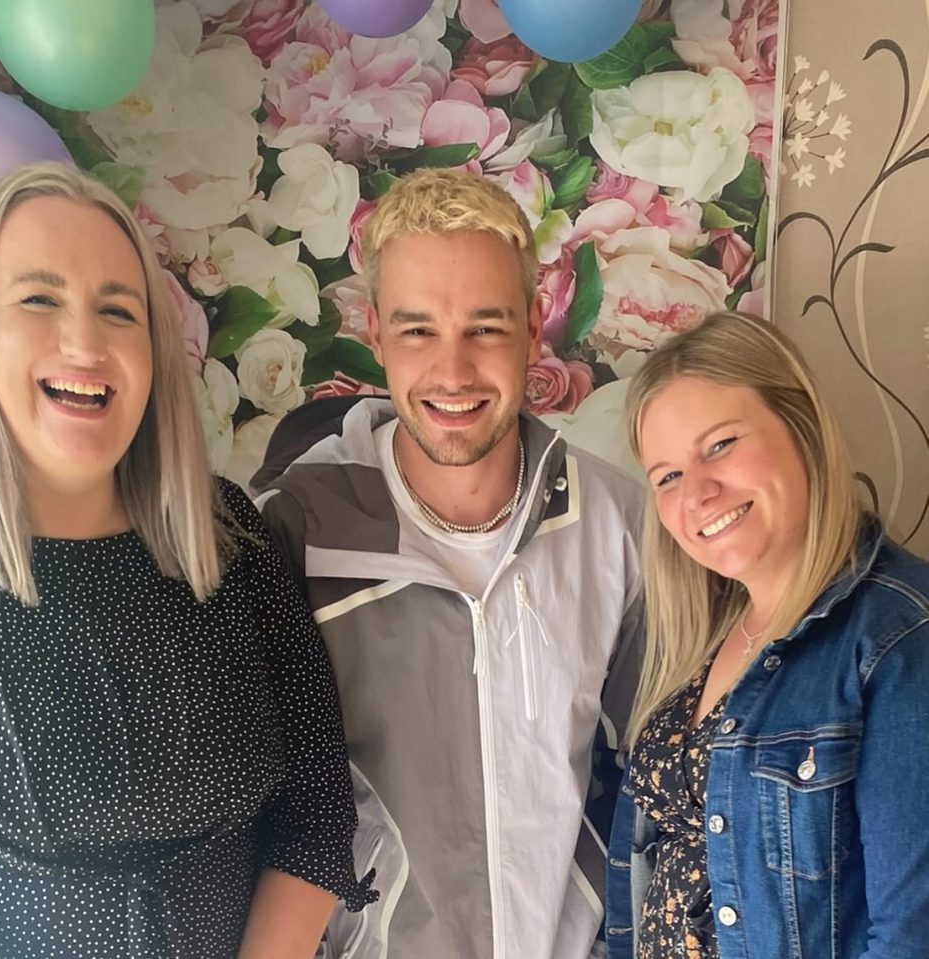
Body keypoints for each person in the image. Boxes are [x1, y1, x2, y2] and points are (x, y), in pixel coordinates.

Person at [0, 163, 374, 959]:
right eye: (39, 298)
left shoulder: (231, 535)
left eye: (117, 311)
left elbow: (318, 817)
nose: (85, 343)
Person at [252, 168, 644, 959]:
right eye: (418, 329)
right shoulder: (290, 531)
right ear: (374, 333)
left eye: (486, 327)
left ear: (535, 328)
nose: (454, 371)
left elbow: (658, 771)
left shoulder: (619, 524)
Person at [604, 311, 929, 959]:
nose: (695, 492)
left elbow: (909, 936)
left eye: (719, 444)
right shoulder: (706, 633)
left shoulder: (894, 639)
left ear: (800, 424)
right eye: (666, 475)